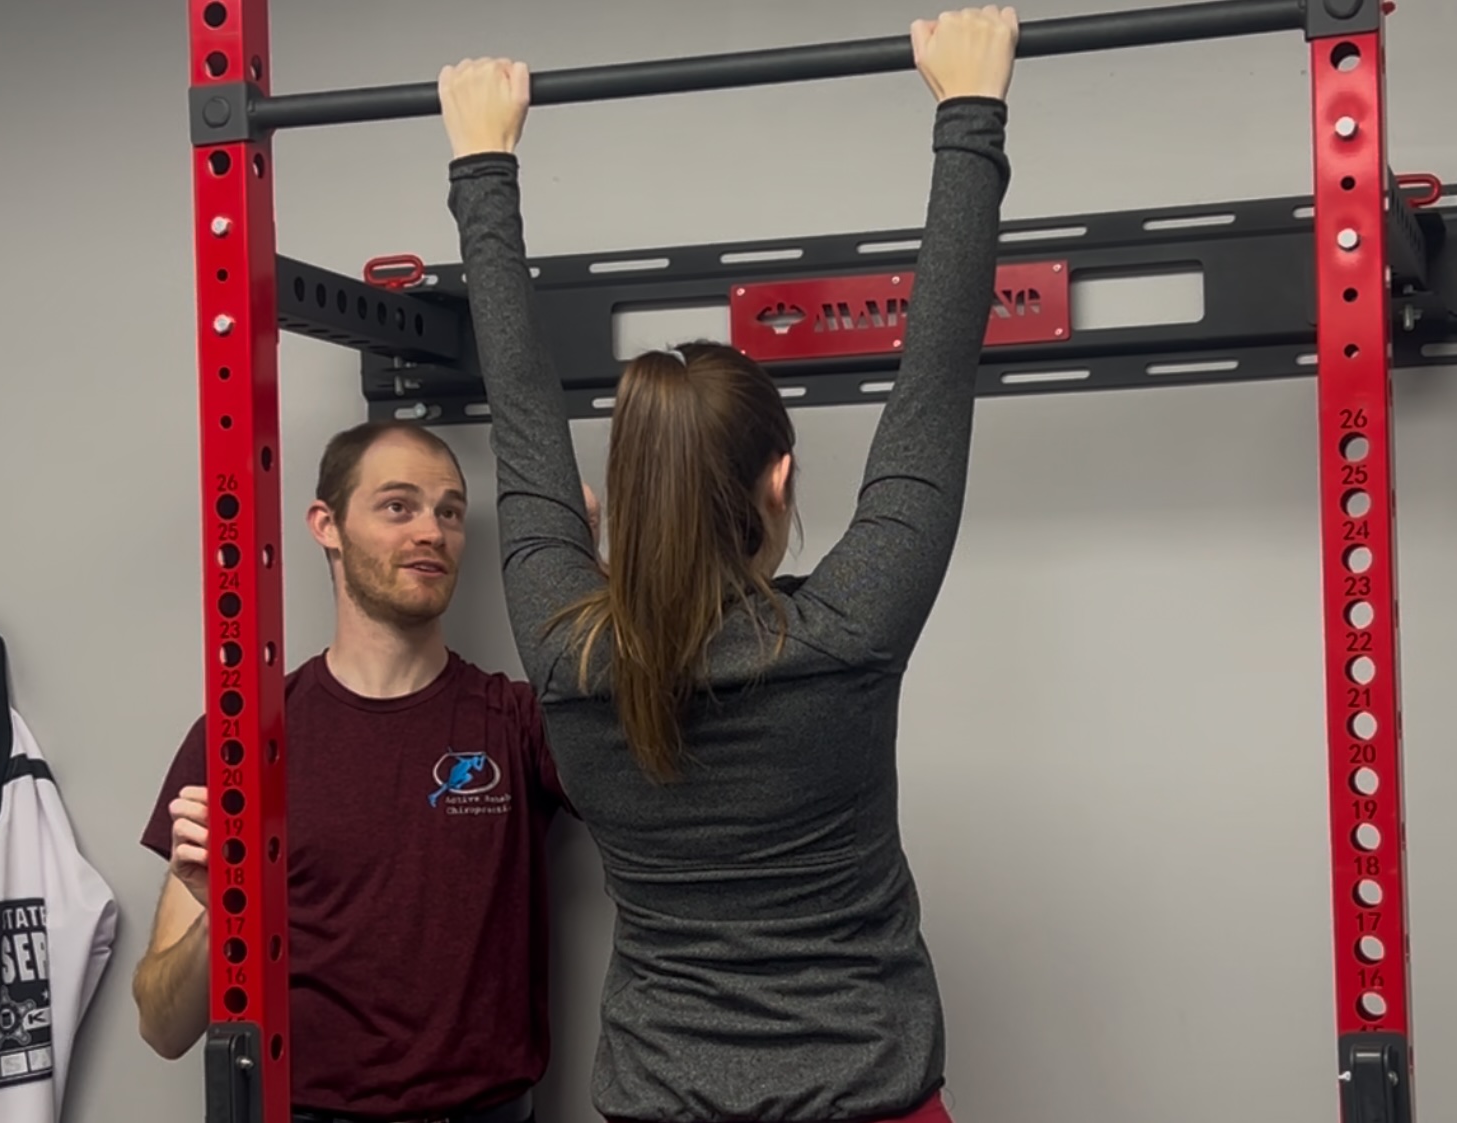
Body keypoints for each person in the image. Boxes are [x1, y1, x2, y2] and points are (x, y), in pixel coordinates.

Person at [435, 8, 1019, 1123]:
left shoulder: (566, 651)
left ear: (627, 498)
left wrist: (482, 161)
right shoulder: (845, 635)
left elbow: (520, 417)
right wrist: (969, 112)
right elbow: (933, 386)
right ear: (781, 481)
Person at [132, 419, 581, 1123]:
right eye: (398, 505)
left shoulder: (518, 722)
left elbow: (665, 773)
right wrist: (228, 904)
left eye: (450, 511)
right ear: (327, 524)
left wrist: (598, 570)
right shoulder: (241, 736)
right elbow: (163, 1026)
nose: (432, 531)